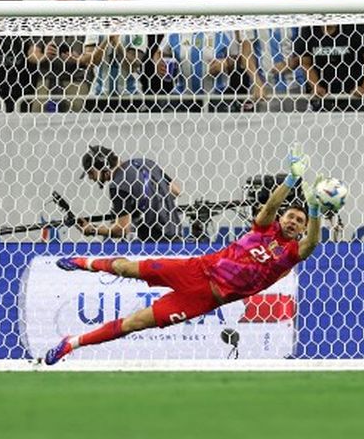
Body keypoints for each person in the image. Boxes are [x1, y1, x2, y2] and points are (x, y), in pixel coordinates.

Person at [45, 146, 326, 365]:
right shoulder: (263, 228)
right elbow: (271, 204)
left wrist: (314, 210)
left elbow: (312, 242)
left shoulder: (290, 255)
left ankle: (72, 343)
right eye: (291, 216)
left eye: (300, 221)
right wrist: (291, 178)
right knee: (129, 269)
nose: (293, 222)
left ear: (302, 229)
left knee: (135, 323)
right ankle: (84, 263)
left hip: (204, 298)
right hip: (195, 268)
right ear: (281, 217)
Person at [76, 145, 182, 242]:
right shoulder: (146, 163)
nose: (90, 178)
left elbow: (121, 230)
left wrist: (92, 229)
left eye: (91, 172)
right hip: (177, 238)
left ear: (103, 165)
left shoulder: (118, 184)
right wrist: (150, 203)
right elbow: (176, 191)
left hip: (155, 245)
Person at [294, 0, 364, 108]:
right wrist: (316, 86)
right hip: (326, 97)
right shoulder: (308, 31)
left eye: (331, 4)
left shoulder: (354, 27)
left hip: (356, 96)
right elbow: (306, 63)